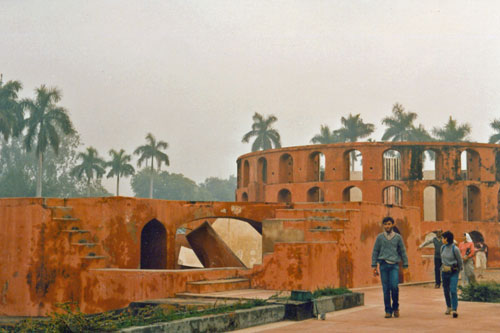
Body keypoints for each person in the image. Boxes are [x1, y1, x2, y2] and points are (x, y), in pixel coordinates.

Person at [371, 216, 409, 318]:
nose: (387, 226)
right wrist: (374, 265)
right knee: (386, 289)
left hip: (394, 266)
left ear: (392, 225)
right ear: (383, 225)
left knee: (394, 287)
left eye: (389, 224)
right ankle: (388, 310)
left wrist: (405, 264)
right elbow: (375, 251)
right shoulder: (379, 237)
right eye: (385, 224)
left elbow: (402, 251)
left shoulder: (397, 237)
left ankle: (395, 307)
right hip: (383, 265)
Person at [440, 230, 463, 318]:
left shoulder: (455, 249)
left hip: (453, 272)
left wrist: (458, 270)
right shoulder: (442, 248)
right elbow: (442, 259)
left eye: (443, 238)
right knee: (446, 290)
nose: (442, 239)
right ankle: (448, 307)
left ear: (446, 239)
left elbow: (460, 261)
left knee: (453, 290)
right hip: (444, 272)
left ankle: (454, 309)